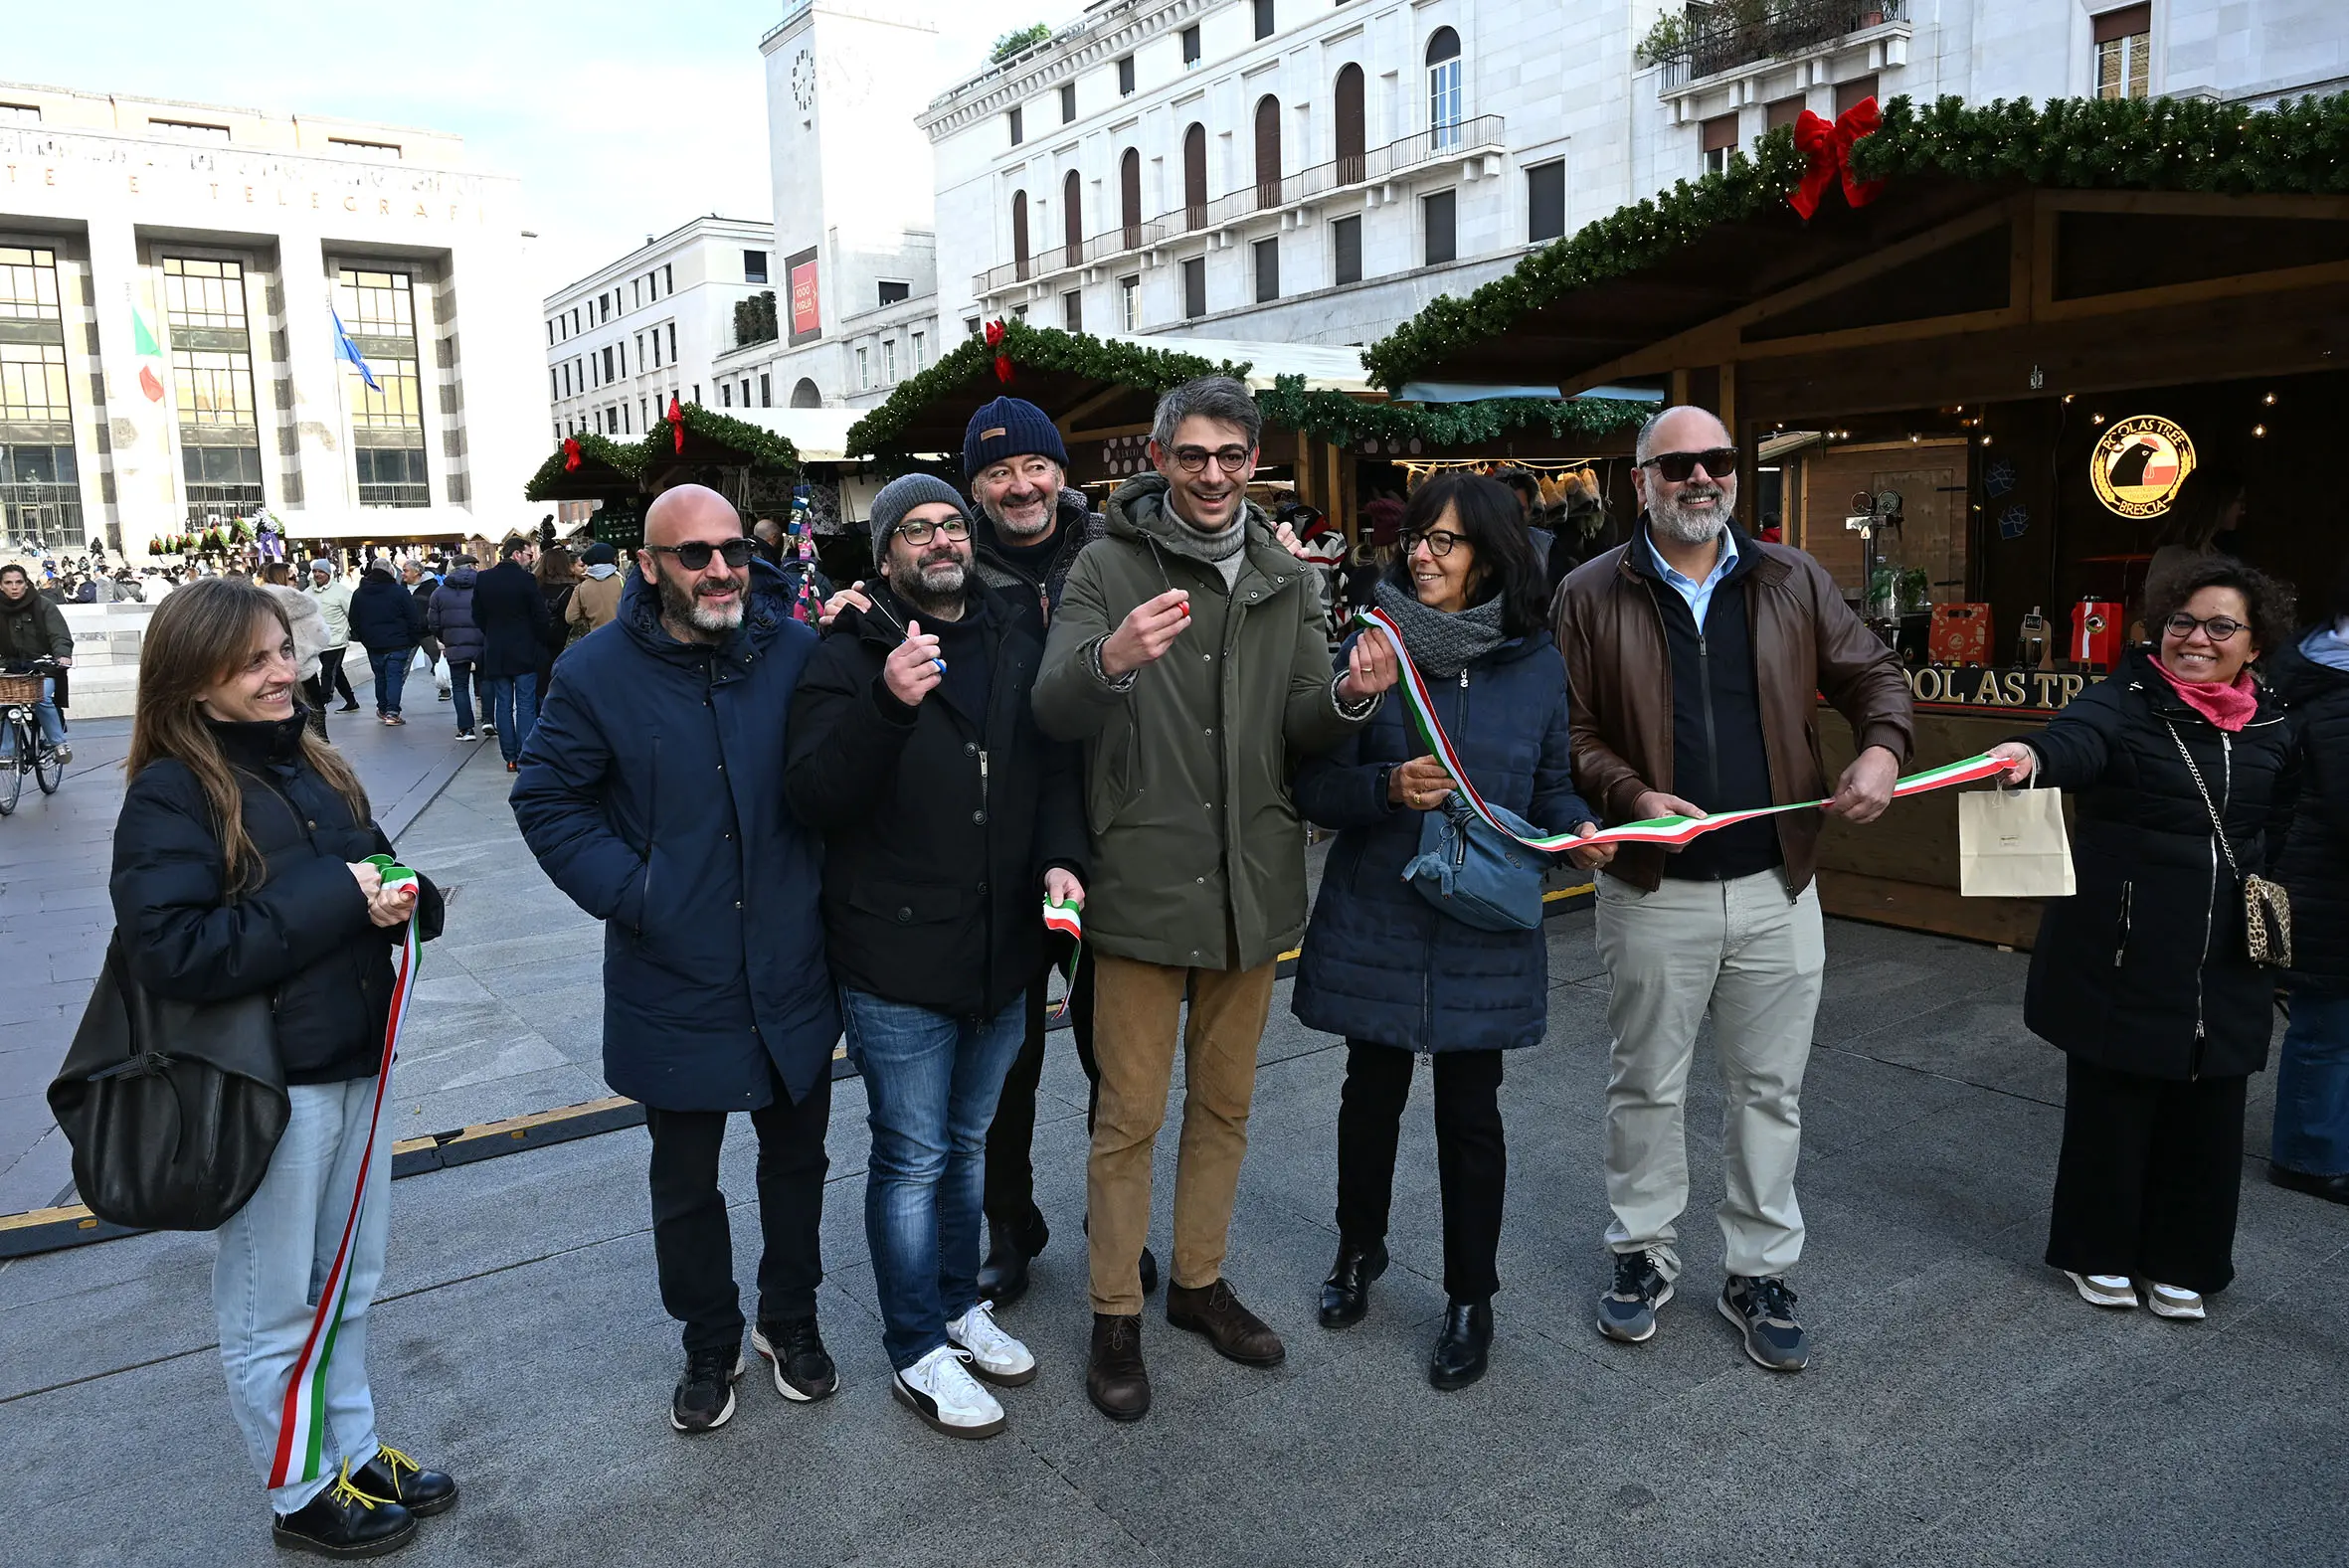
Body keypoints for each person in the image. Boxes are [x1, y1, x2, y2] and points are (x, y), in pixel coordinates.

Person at [1033, 376, 1398, 1423]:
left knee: (1226, 1105)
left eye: (1230, 455)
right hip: (1140, 881)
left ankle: (1197, 1281)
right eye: (1191, 454)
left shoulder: (1285, 574)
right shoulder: (1105, 564)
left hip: (1250, 881)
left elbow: (1303, 718)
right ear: (1159, 457)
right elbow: (1052, 706)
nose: (1211, 474)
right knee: (1129, 1115)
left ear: (1252, 461)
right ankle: (1115, 1309)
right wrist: (1109, 658)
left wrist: (1349, 694)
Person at [1555, 404, 1913, 1373]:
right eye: (1677, 466)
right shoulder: (1590, 591)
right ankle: (1641, 1253)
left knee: (1768, 1090)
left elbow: (1874, 675)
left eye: (1715, 460)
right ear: (1641, 481)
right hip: (1652, 886)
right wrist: (1631, 795)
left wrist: (1882, 748)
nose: (1699, 478)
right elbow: (1570, 731)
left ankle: (1758, 1269)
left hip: (1775, 885)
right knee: (1646, 1083)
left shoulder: (1791, 577)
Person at [110, 577, 449, 1556]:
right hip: (265, 1083)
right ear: (193, 677)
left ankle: (354, 1450)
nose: (280, 671)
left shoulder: (313, 759)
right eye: (252, 658)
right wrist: (342, 896)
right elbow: (174, 951)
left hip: (355, 1058)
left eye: (283, 650)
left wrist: (407, 895)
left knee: (350, 1278)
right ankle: (300, 1490)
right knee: (273, 1303)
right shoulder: (171, 791)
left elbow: (380, 868)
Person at [511, 483, 841, 1435]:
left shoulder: (794, 649)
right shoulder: (595, 671)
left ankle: (790, 1315)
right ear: (650, 566)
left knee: (798, 1160)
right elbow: (547, 800)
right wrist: (640, 894)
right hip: (673, 972)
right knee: (686, 1179)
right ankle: (708, 1335)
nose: (720, 569)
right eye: (694, 554)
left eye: (733, 549)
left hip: (789, 962)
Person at [1293, 473, 1612, 1391]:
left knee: (1473, 1115)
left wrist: (1576, 830)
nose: (1423, 554)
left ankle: (1472, 1296)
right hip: (1382, 912)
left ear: (1492, 557)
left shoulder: (1537, 662)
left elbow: (1550, 786)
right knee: (1370, 1095)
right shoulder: (1372, 646)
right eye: (1418, 539)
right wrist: (1386, 787)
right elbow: (1314, 786)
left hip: (1483, 920)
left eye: (1446, 541)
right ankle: (1360, 1248)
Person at [785, 475, 1087, 1440]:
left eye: (951, 523)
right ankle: (915, 1345)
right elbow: (813, 795)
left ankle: (958, 1306)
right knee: (912, 1156)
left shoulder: (1012, 630)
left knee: (967, 1144)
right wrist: (886, 701)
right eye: (915, 529)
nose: (940, 540)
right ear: (885, 554)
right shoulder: (847, 651)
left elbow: (1050, 768)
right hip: (896, 955)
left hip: (1003, 950)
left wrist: (1062, 859)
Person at [1987, 559, 2300, 1318]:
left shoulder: (2274, 722)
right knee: (2115, 1104)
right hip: (2123, 941)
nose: (2197, 638)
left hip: (2228, 952)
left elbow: (2281, 822)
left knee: (2212, 1111)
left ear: (2254, 643)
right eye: (2182, 622)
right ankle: (2095, 1252)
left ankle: (2184, 1260)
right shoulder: (2121, 700)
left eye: (2220, 626)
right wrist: (2031, 757)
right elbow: (2073, 741)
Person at [2267, 558, 2349, 1207]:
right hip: (2329, 885)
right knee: (2328, 1025)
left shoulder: (2319, 666)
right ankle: (2307, 1154)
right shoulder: (2338, 688)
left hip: (2323, 879)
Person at [473, 537, 552, 773]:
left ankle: (510, 756)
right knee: (526, 704)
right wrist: (539, 639)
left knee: (503, 703)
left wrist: (492, 633)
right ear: (517, 554)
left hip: (496, 649)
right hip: (524, 649)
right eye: (529, 555)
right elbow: (540, 615)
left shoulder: (484, 578)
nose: (531, 559)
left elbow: (477, 614)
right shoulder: (526, 580)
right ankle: (525, 753)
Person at [0, 561, 74, 763]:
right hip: (9, 667)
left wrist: (62, 655)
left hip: (42, 666)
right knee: (2, 702)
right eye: (8, 583)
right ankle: (6, 751)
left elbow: (60, 635)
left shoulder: (43, 605)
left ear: (26, 583)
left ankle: (58, 743)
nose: (14, 587)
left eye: (18, 582)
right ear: (1, 586)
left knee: (42, 697)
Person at [259, 562, 331, 738]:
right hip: (304, 672)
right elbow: (322, 636)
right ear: (282, 578)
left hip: (268, 674)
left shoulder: (256, 603)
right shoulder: (299, 602)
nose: (297, 580)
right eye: (292, 577)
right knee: (315, 715)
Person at [349, 565, 425, 726]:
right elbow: (413, 617)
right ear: (391, 573)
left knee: (380, 677)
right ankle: (392, 712)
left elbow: (353, 619)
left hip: (373, 643)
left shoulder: (359, 593)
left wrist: (363, 638)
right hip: (398, 642)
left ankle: (383, 708)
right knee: (394, 677)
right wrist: (411, 639)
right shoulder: (399, 592)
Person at [427, 557, 484, 742]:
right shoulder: (483, 587)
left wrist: (445, 639)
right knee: (485, 682)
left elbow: (433, 623)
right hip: (482, 644)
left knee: (459, 686)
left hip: (455, 645)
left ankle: (466, 729)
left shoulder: (439, 592)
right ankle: (489, 720)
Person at [305, 558, 361, 713]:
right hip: (317, 641)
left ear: (328, 574)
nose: (317, 574)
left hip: (336, 640)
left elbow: (352, 612)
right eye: (315, 571)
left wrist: (354, 631)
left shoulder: (341, 591)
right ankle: (351, 701)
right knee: (337, 672)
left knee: (328, 671)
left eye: (321, 571)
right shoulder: (308, 592)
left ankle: (322, 702)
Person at [532, 544, 579, 696]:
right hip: (565, 639)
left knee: (542, 684)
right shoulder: (573, 588)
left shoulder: (534, 587)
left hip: (540, 640)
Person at [401, 561, 449, 704]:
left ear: (416, 572)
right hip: (408, 632)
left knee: (438, 661)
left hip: (427, 632)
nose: (402, 574)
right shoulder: (401, 588)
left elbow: (439, 608)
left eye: (405, 570)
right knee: (402, 665)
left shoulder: (432, 587)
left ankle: (445, 687)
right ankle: (394, 695)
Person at [566, 542, 625, 640]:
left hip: (595, 639)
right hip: (622, 637)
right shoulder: (622, 581)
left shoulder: (581, 588)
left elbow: (570, 618)